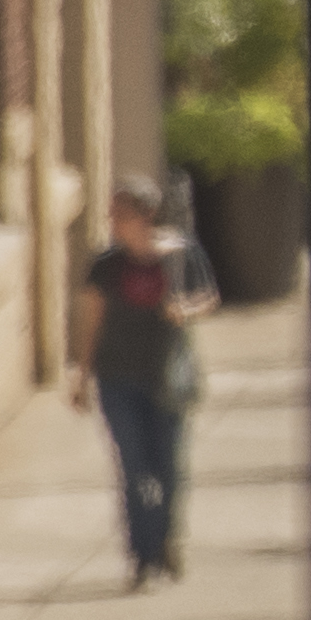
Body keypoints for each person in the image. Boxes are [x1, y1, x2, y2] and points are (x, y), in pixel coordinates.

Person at [82, 182, 215, 586]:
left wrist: (185, 310)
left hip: (166, 378)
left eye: (119, 213)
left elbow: (208, 297)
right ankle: (142, 555)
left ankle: (166, 540)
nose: (112, 222)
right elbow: (91, 318)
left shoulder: (181, 255)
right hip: (117, 377)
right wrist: (80, 373)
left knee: (168, 467)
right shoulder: (105, 265)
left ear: (145, 215)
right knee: (134, 467)